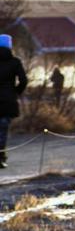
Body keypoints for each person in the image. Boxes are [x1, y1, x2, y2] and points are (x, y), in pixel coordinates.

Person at [0, 35, 28, 169]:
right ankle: (1, 158)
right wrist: (16, 92)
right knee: (3, 130)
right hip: (8, 101)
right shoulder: (15, 62)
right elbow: (23, 80)